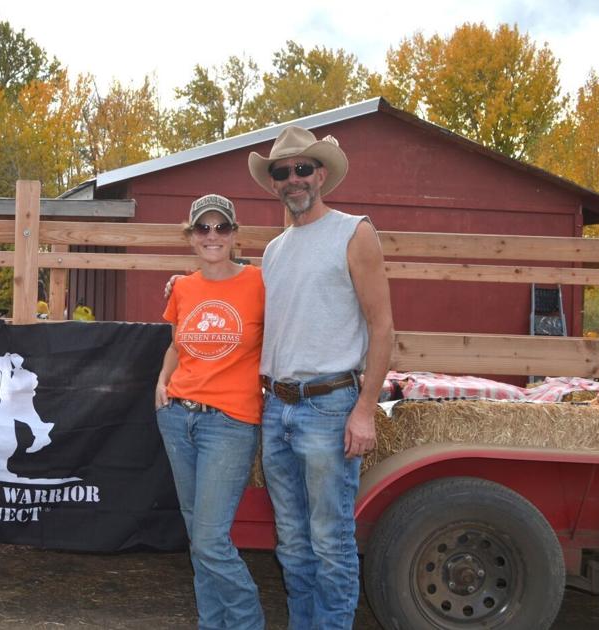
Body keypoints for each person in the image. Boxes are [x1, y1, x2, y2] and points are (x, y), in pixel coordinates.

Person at [248, 125, 393, 629]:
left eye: (302, 169)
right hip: (277, 406)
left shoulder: (355, 232)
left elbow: (382, 326)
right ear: (274, 183)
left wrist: (364, 408)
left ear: (322, 174)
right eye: (282, 172)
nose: (292, 179)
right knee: (291, 540)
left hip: (330, 407)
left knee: (331, 539)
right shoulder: (273, 251)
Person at [155, 194, 265, 629]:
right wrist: (160, 382)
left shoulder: (260, 282)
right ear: (191, 236)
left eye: (222, 228)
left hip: (230, 424)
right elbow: (174, 345)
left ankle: (247, 621)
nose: (212, 236)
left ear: (235, 235)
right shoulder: (183, 287)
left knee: (209, 538)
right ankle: (212, 622)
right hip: (178, 417)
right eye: (203, 228)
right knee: (194, 531)